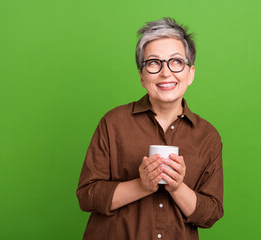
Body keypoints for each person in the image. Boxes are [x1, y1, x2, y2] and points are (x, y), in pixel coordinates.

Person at [76, 17, 224, 240]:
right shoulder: (113, 123)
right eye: (154, 63)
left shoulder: (208, 136)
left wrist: (177, 187)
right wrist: (142, 185)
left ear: (190, 73)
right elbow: (87, 196)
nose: (166, 73)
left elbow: (210, 214)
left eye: (176, 62)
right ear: (142, 76)